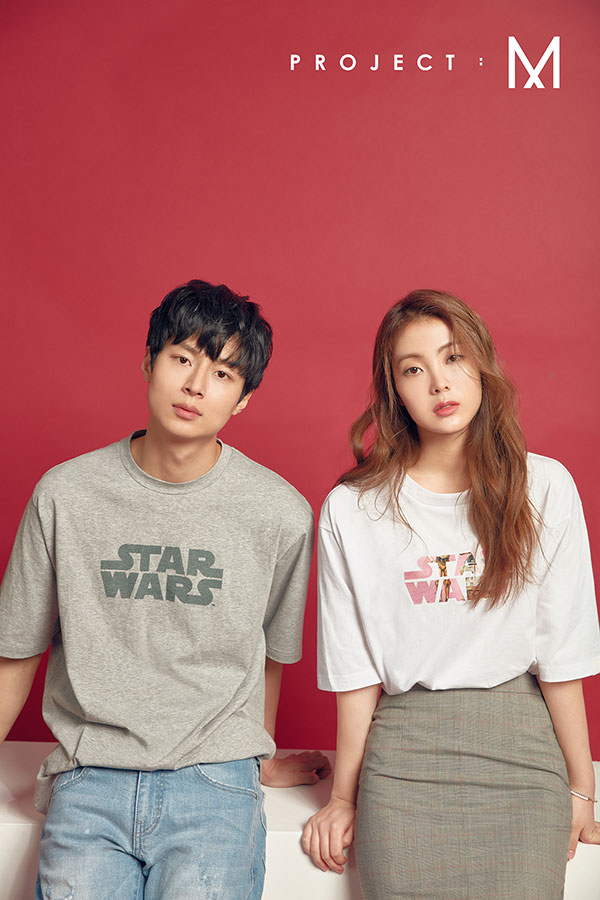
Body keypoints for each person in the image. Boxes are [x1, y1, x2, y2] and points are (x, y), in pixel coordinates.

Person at [0, 278, 330, 900]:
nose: (196, 386)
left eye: (223, 374)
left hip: (215, 780)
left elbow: (268, 654)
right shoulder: (65, 495)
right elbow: (16, 651)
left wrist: (257, 757)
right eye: (182, 359)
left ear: (243, 399)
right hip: (90, 775)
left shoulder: (280, 514)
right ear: (149, 363)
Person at [302, 289, 600, 899]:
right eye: (414, 369)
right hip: (402, 760)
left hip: (522, 754)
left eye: (454, 357)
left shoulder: (543, 486)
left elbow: (562, 655)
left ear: (481, 364)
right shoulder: (353, 509)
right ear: (394, 390)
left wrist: (580, 787)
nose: (440, 382)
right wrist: (343, 797)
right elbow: (356, 671)